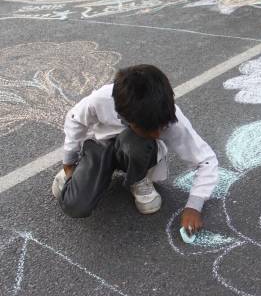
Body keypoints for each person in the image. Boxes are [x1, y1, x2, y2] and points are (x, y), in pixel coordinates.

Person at [52, 64, 219, 237]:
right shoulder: (100, 100)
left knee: (137, 143)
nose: (157, 133)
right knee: (76, 206)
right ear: (126, 119)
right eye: (150, 129)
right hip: (99, 146)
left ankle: (138, 177)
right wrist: (69, 162)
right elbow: (74, 119)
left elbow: (206, 160)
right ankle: (77, 173)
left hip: (134, 150)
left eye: (160, 128)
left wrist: (194, 206)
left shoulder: (166, 114)